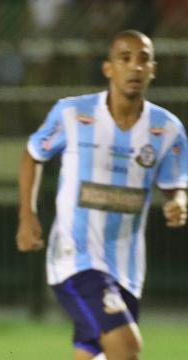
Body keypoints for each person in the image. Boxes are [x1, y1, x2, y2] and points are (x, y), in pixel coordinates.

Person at [16, 30, 187, 360]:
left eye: (143, 60)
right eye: (125, 59)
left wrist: (179, 202)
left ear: (154, 69)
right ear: (108, 68)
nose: (134, 67)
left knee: (94, 354)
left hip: (128, 267)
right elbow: (33, 154)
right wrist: (27, 214)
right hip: (75, 260)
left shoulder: (167, 129)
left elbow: (174, 182)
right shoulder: (72, 114)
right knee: (126, 347)